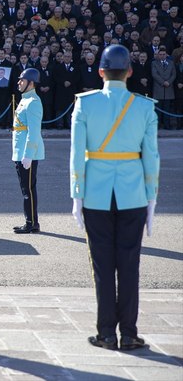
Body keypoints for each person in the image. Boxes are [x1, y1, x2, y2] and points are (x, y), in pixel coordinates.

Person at [70, 44, 159, 351]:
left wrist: (76, 195)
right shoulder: (144, 107)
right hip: (133, 194)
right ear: (130, 72)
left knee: (103, 266)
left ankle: (107, 332)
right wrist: (152, 198)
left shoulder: (85, 104)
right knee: (130, 264)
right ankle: (130, 332)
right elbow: (152, 157)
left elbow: (76, 155)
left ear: (101, 71)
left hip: (95, 194)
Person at [11, 68, 45, 234]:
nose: (19, 82)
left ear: (31, 83)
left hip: (27, 153)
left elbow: (33, 132)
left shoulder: (33, 102)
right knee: (26, 189)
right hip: (20, 151)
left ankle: (31, 223)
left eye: (22, 80)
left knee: (28, 190)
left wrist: (28, 155)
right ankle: (30, 221)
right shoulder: (25, 100)